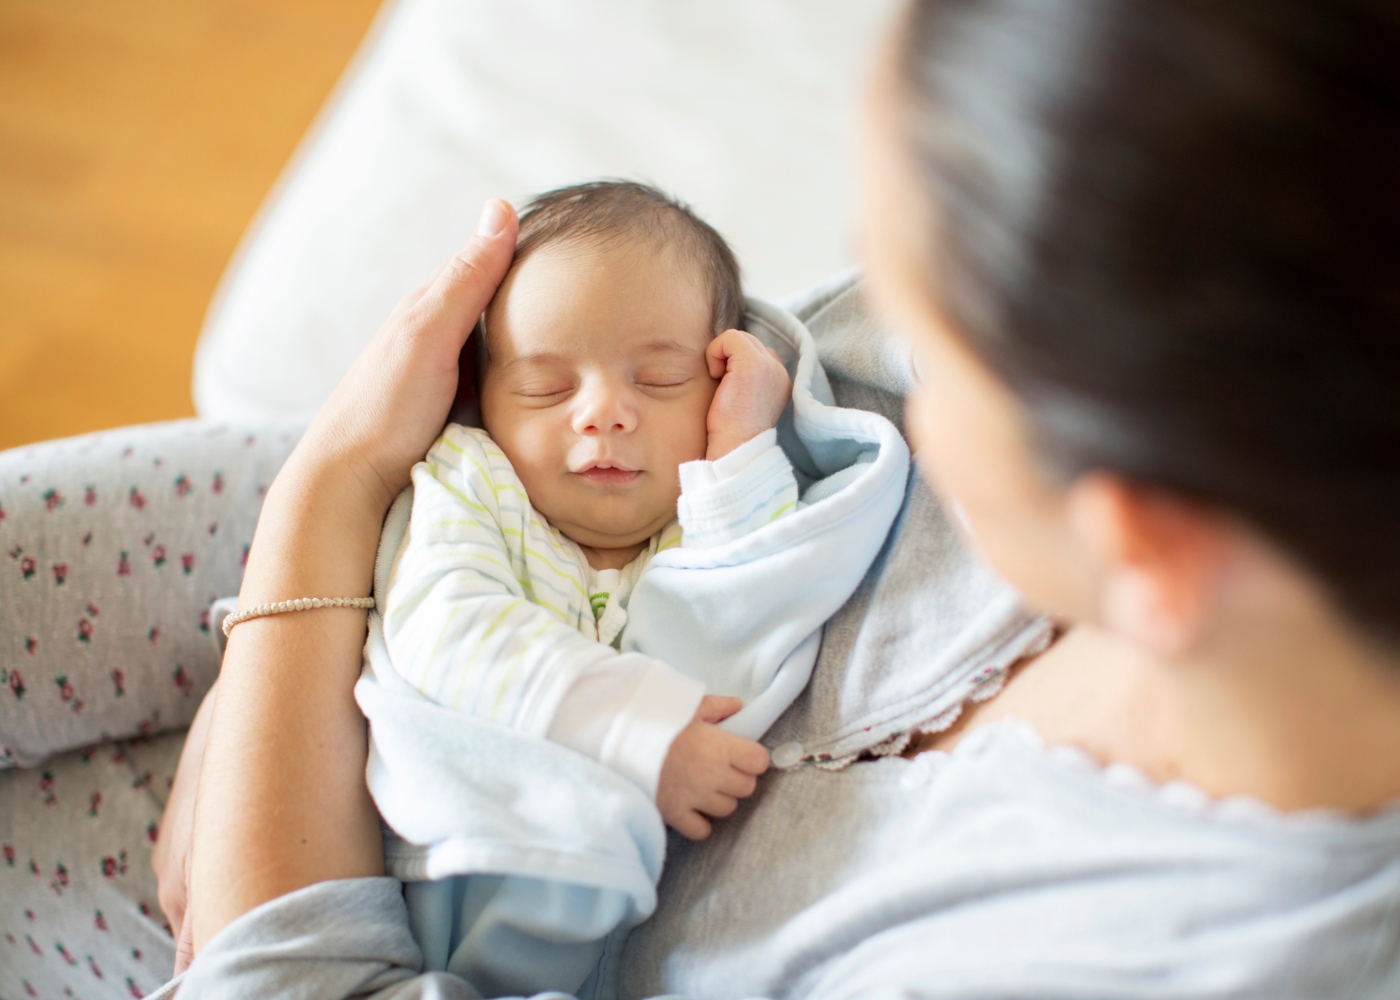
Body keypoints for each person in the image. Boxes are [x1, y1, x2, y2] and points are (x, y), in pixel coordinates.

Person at [46, 0, 1400, 994]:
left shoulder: (1148, 954)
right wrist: (323, 562)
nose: (868, 338)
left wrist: (318, 524)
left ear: (1142, 547)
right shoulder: (1175, 348)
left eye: (931, 329)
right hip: (418, 592)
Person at [357, 180, 905, 993]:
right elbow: (447, 627)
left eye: (658, 381)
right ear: (479, 398)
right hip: (452, 870)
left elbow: (744, 605)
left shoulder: (704, 512)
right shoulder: (473, 483)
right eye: (546, 386)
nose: (605, 414)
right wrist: (635, 731)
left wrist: (740, 448)